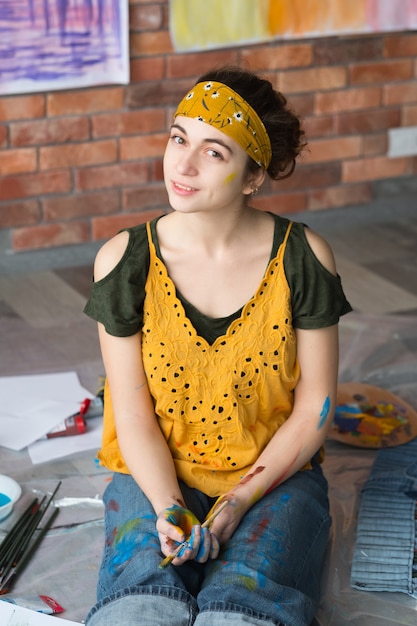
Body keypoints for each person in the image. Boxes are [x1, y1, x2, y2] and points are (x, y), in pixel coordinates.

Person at [84, 66, 352, 626]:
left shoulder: (302, 257)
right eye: (178, 138)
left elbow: (313, 411)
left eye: (214, 152)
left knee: (242, 608)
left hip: (275, 474)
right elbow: (130, 412)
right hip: (154, 471)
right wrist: (167, 508)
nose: (181, 165)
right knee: (139, 602)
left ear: (254, 178)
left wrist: (236, 501)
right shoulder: (125, 262)